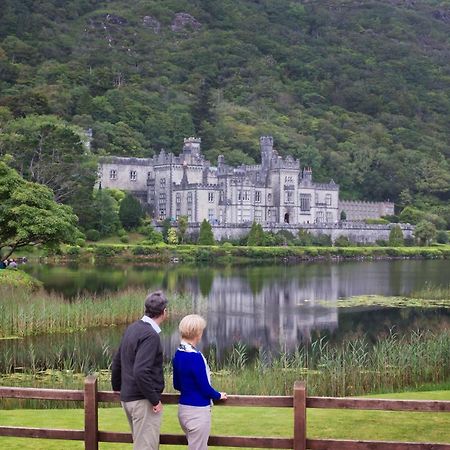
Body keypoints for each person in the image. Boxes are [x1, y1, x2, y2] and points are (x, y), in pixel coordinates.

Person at [112, 290, 168, 450]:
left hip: (128, 398)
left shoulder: (133, 328)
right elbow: (141, 371)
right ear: (164, 312)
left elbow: (117, 361)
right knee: (146, 447)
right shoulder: (150, 335)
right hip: (143, 401)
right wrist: (155, 400)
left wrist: (117, 387)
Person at [173, 314, 227, 450]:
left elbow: (176, 385)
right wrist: (218, 395)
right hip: (197, 412)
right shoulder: (195, 357)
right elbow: (204, 387)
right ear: (198, 334)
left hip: (183, 411)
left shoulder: (178, 354)